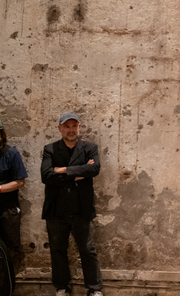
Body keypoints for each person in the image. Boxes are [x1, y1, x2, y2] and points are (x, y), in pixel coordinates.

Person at [41, 112, 103, 296]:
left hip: (81, 209)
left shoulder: (89, 148)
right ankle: (62, 288)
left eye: (74, 126)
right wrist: (78, 173)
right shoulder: (50, 149)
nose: (70, 130)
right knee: (58, 250)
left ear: (79, 127)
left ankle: (94, 289)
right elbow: (46, 176)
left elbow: (94, 168)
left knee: (87, 250)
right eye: (66, 126)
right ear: (60, 128)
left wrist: (62, 170)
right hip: (56, 210)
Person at [0, 118, 28, 277]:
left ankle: (6, 287)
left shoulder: (11, 153)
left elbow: (20, 182)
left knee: (8, 250)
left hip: (7, 210)